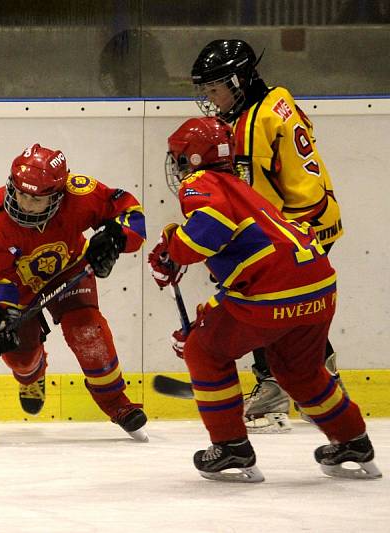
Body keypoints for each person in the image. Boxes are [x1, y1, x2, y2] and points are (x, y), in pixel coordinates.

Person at [148, 116, 380, 482]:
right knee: (298, 371)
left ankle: (230, 449)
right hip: (318, 287)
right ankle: (353, 439)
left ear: (188, 159)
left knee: (203, 350)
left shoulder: (199, 182)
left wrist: (173, 249)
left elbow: (210, 226)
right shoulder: (242, 187)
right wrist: (177, 249)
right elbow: (242, 261)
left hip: (274, 292)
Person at [191, 39, 344, 432]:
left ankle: (277, 389)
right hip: (313, 214)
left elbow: (251, 196)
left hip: (297, 224)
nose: (211, 99)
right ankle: (321, 386)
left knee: (257, 301)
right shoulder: (277, 100)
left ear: (239, 80)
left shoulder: (253, 125)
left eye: (215, 89)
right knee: (286, 309)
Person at [0, 143, 148, 441]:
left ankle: (118, 405)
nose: (24, 204)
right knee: (20, 355)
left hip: (70, 270)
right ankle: (31, 378)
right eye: (20, 193)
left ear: (58, 195)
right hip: (18, 287)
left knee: (87, 331)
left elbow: (125, 207)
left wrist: (116, 237)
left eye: (36, 199)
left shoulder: (79, 193)